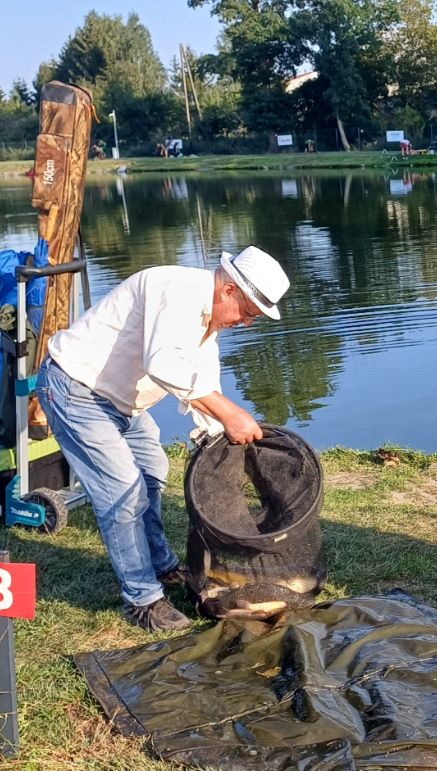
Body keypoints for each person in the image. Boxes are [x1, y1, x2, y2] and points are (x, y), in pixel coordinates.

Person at [36, 247, 291, 632]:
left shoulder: (210, 325)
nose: (246, 322)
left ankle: (161, 564)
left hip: (122, 403)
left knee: (153, 471)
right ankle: (142, 599)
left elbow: (204, 384)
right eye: (248, 313)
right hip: (76, 390)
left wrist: (216, 427)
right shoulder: (179, 291)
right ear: (229, 290)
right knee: (123, 492)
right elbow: (164, 364)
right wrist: (229, 413)